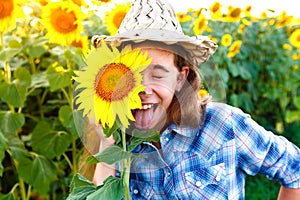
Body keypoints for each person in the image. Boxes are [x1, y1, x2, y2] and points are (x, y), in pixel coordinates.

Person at [79, 0, 300, 199]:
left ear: (180, 78)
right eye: (129, 76)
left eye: (157, 75)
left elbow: (294, 169)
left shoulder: (223, 125)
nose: (142, 90)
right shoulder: (120, 141)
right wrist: (106, 143)